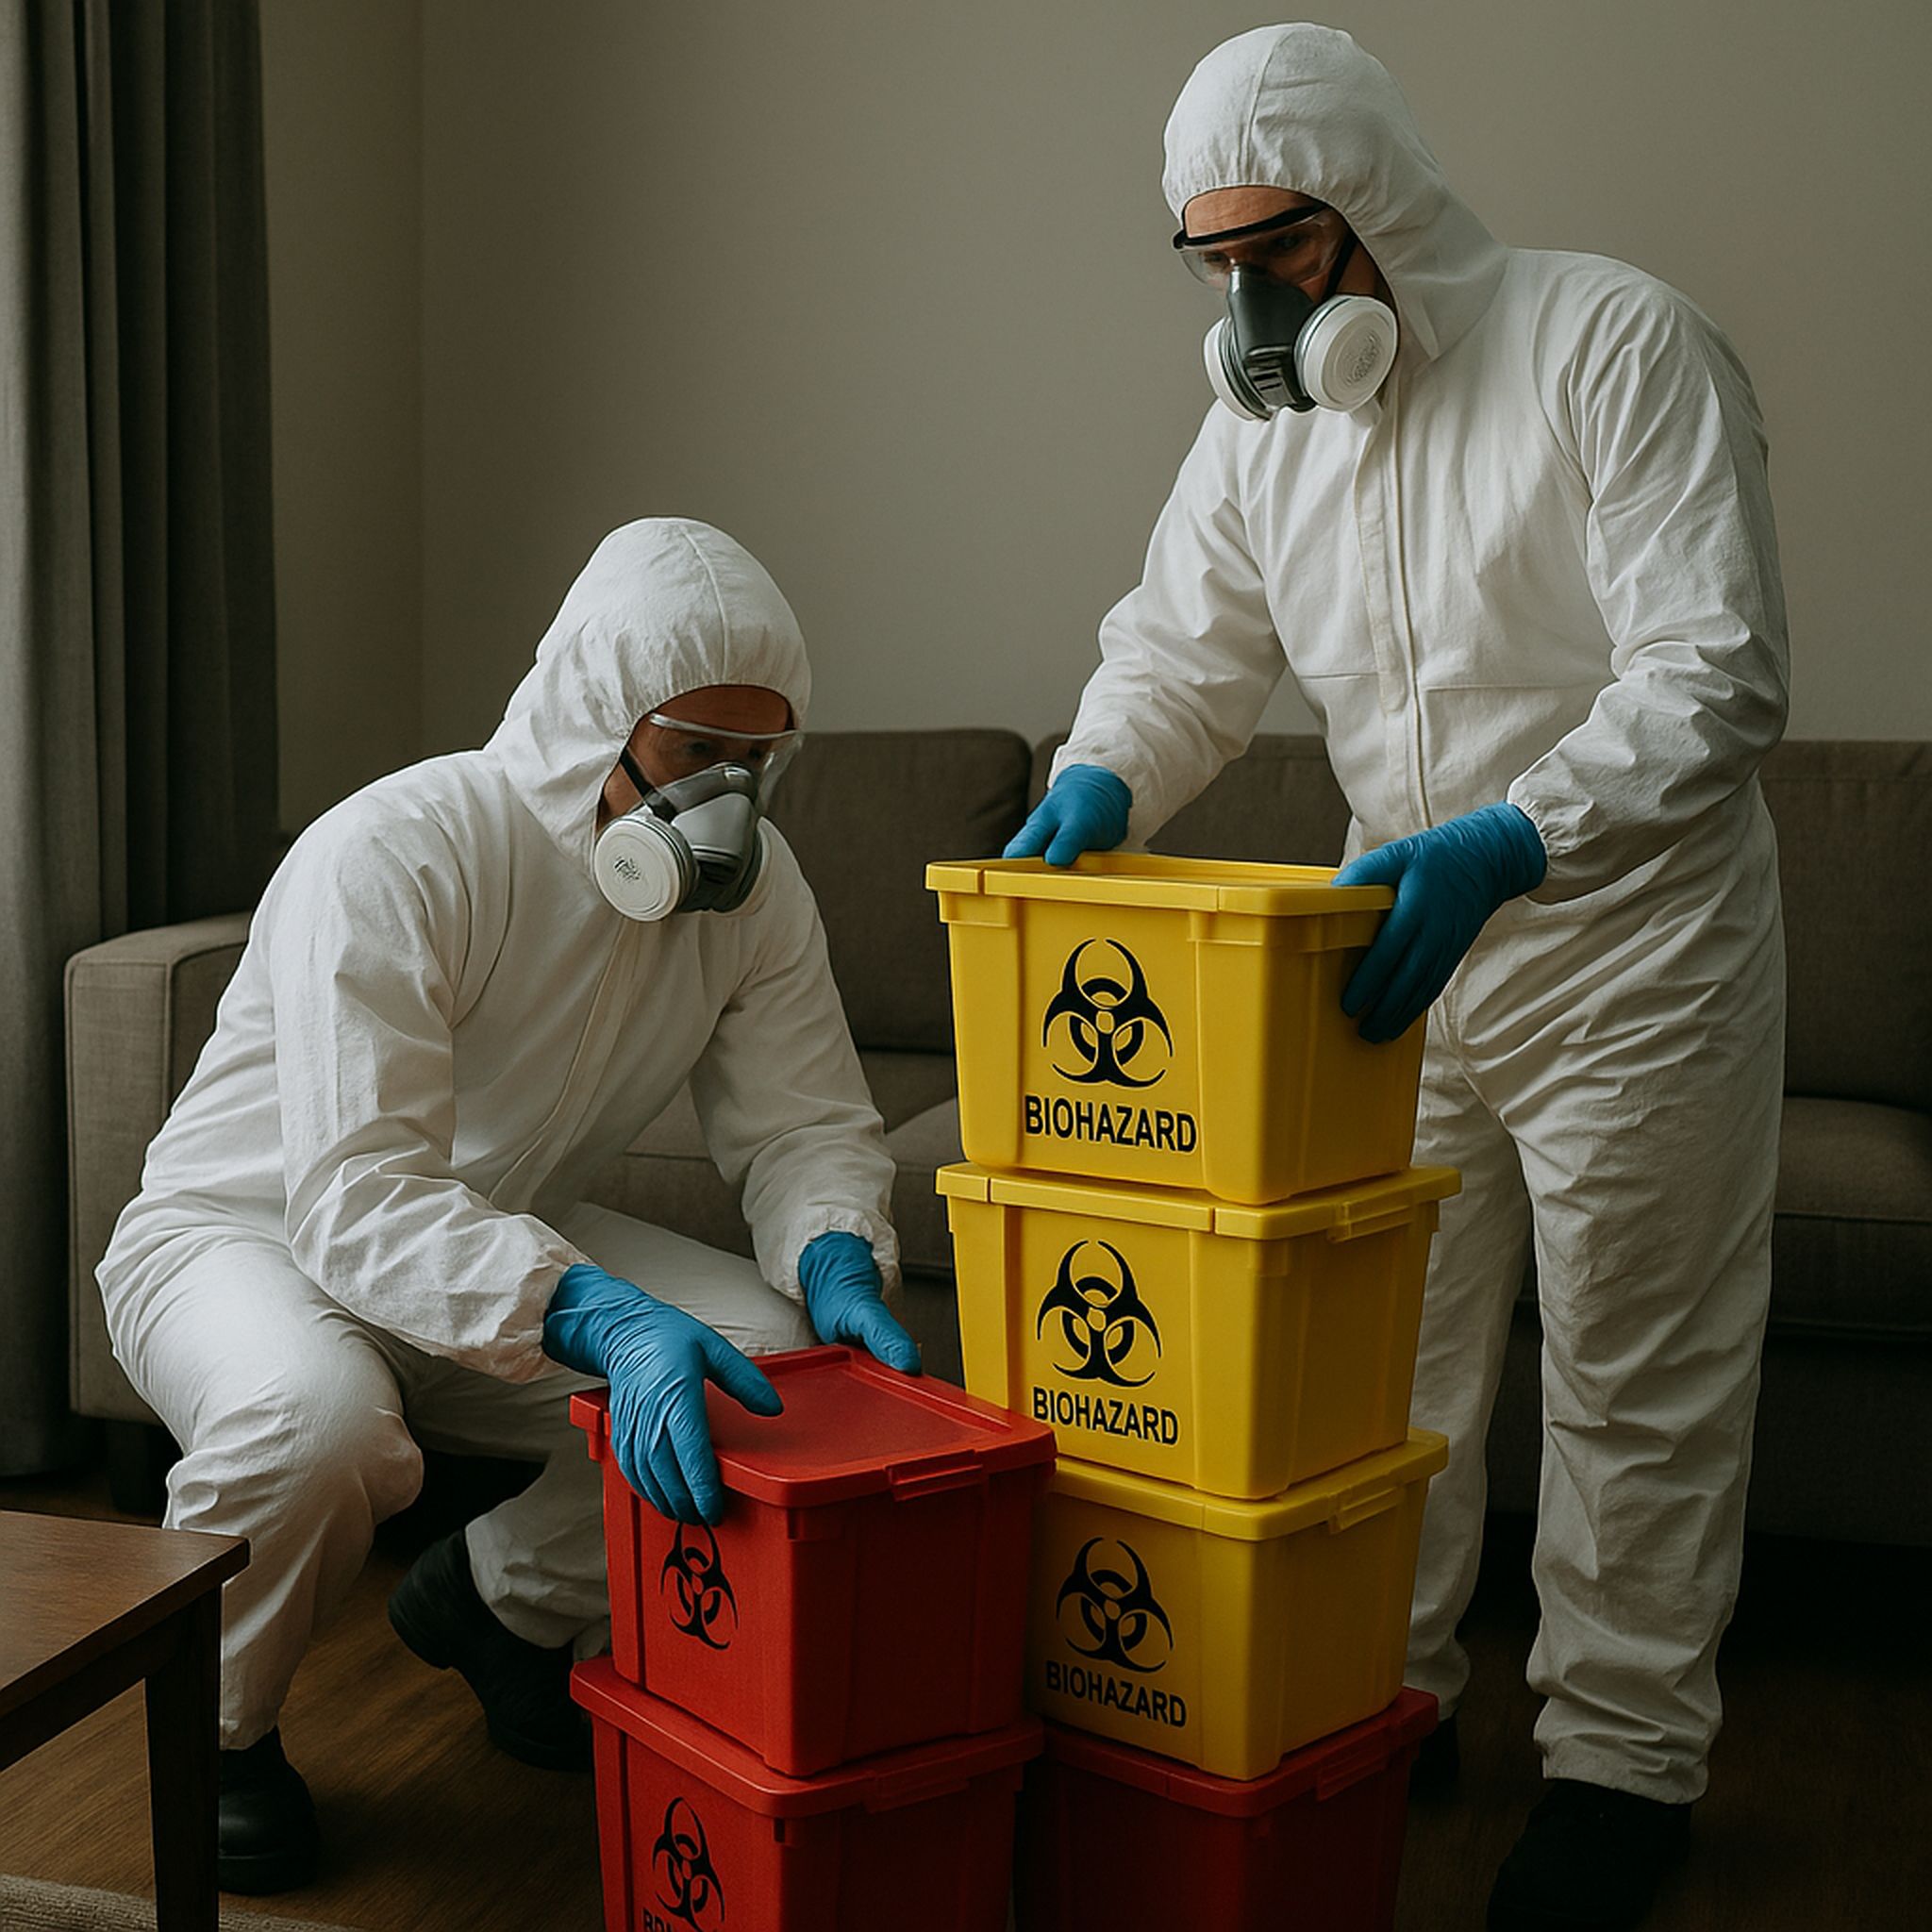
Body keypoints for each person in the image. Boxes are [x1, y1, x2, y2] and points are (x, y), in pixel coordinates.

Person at [1007, 25, 1787, 1932]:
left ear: (1369, 211)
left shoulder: (1613, 344)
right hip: (1397, 972)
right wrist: (1101, 773)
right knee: (1374, 1373)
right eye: (1212, 268)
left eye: (1271, 254)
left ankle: (1619, 1767)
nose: (1248, 307)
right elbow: (1184, 646)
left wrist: (1514, 836)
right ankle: (1381, 1694)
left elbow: (1714, 670)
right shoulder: (1264, 429)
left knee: (1635, 1378)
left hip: (1633, 953)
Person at [97, 518, 918, 1893]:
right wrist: (592, 1311)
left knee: (786, 1374)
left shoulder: (754, 899)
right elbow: (355, 1191)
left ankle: (498, 1606)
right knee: (317, 1428)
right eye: (691, 750)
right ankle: (216, 1734)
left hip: (500, 1230)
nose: (726, 795)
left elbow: (805, 1122)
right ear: (598, 709)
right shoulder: (402, 849)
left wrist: (836, 1248)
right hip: (244, 1236)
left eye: (754, 759)